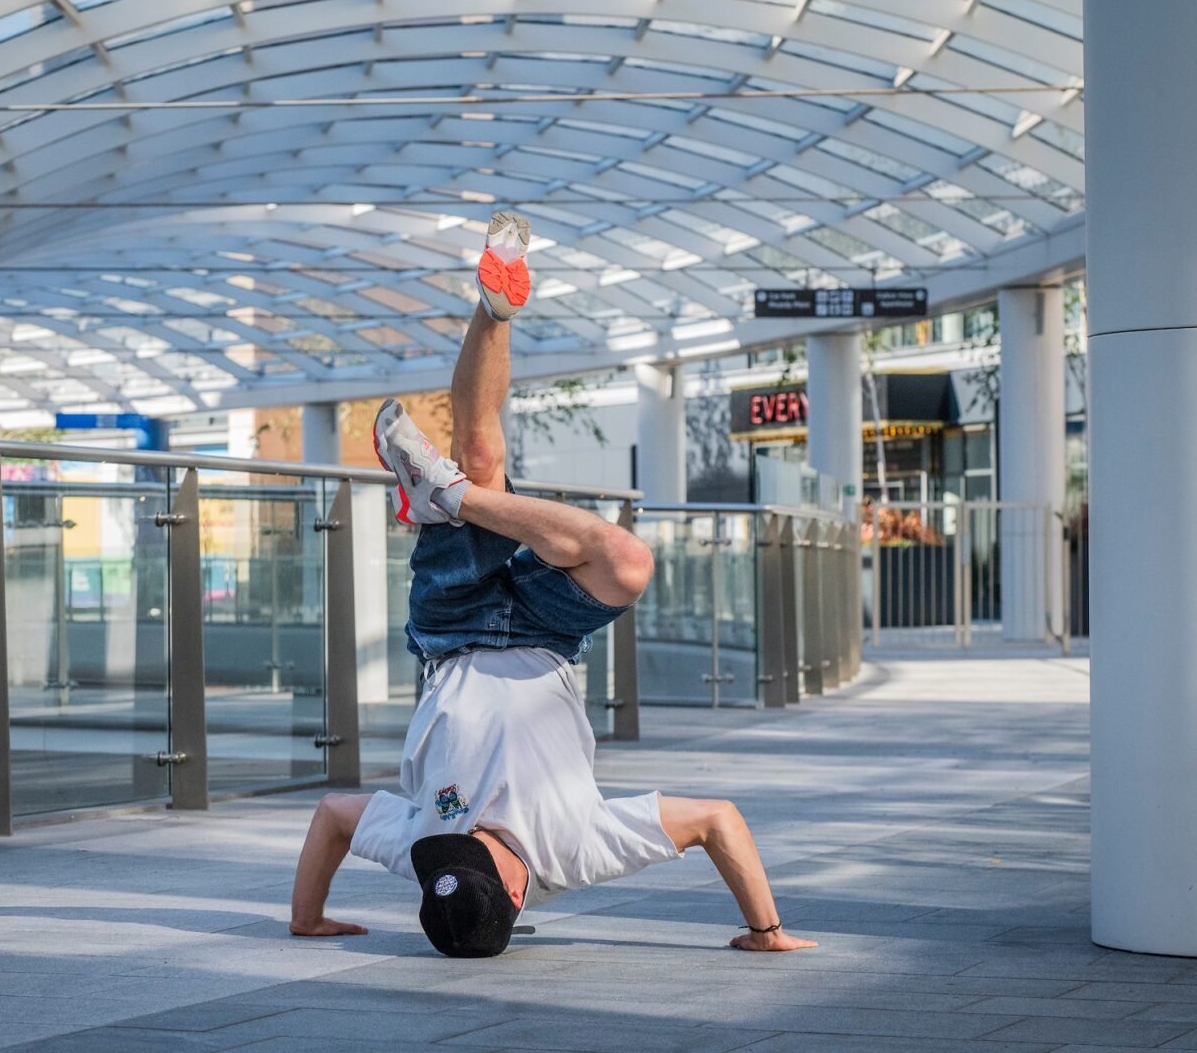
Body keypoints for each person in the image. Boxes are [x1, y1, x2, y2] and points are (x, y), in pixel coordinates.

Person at [287, 211, 817, 958]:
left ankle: (492, 312)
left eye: (446, 852)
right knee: (627, 561)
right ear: (514, 891)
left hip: (453, 627)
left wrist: (305, 919)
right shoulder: (577, 851)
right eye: (474, 856)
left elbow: (336, 815)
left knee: (477, 447)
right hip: (546, 634)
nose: (459, 839)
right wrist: (766, 930)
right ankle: (452, 497)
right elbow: (717, 819)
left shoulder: (425, 846)